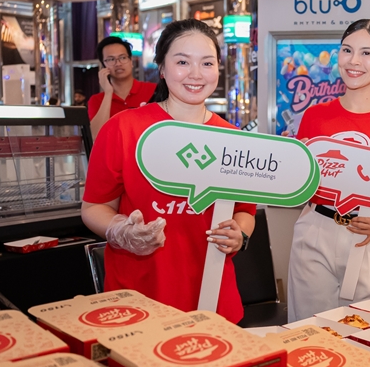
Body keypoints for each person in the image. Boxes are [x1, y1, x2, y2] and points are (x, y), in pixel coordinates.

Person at [81, 20, 255, 323]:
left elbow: (244, 212)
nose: (196, 74)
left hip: (212, 295)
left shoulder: (233, 138)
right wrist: (121, 230)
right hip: (139, 296)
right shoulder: (124, 129)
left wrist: (239, 235)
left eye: (207, 63)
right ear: (162, 67)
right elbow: (94, 207)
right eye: (183, 62)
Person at [286, 19, 370, 322]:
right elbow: (298, 189)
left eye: (366, 53)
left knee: (368, 329)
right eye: (347, 50)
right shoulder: (315, 116)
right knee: (309, 329)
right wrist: (294, 166)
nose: (354, 61)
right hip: (316, 231)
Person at [88, 36, 157, 140]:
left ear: (131, 61)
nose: (118, 63)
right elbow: (95, 137)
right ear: (103, 66)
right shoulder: (97, 100)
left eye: (123, 57)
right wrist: (108, 93)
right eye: (111, 59)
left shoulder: (153, 90)